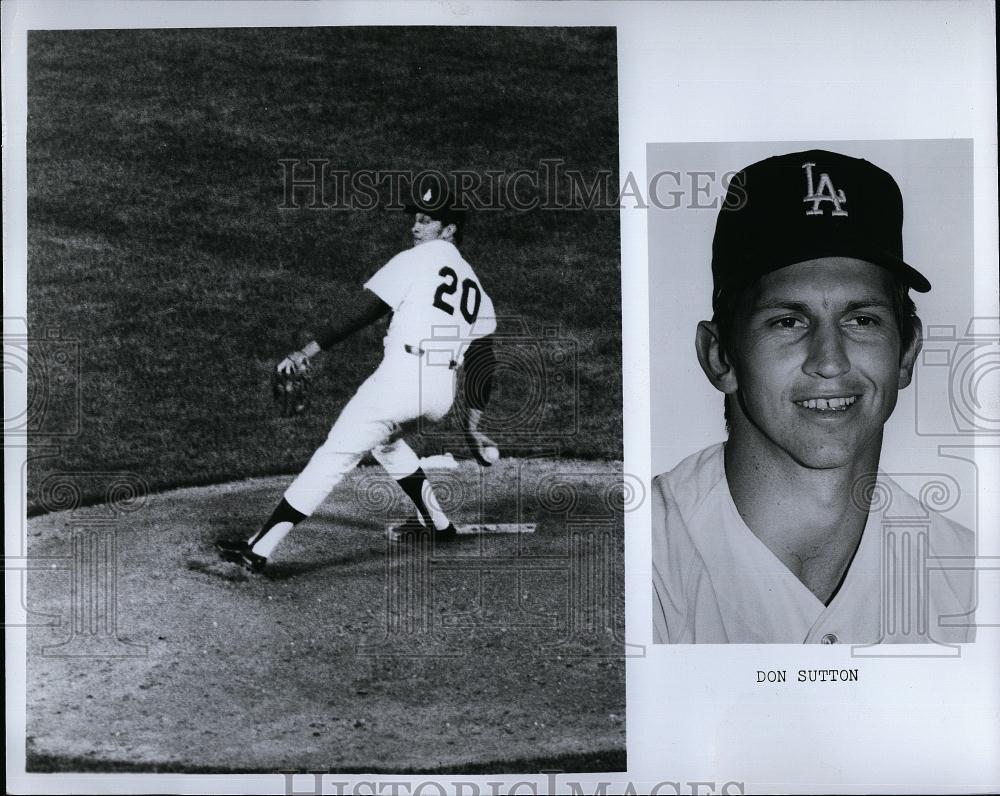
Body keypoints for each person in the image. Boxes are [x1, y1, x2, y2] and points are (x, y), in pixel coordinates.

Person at [652, 149, 976, 644]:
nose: (830, 360)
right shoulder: (642, 557)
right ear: (719, 355)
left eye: (861, 320)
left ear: (907, 352)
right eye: (788, 321)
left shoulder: (969, 579)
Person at [217, 181, 498, 573]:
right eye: (415, 219)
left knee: (334, 455)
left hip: (402, 380)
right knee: (386, 442)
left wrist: (306, 351)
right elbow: (484, 359)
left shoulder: (417, 259)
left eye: (428, 221)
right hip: (440, 392)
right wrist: (474, 427)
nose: (416, 227)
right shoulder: (476, 288)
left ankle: (259, 549)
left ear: (449, 230)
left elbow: (364, 311)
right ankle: (438, 522)